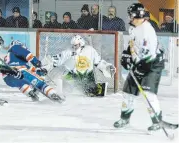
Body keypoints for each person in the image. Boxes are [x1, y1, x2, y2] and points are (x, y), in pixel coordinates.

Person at [114, 3, 165, 132]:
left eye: (130, 15)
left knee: (148, 93)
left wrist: (139, 69)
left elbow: (149, 57)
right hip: (140, 62)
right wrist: (126, 54)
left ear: (135, 15)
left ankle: (157, 121)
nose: (129, 18)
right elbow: (131, 43)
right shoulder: (133, 27)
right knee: (128, 92)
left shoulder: (147, 31)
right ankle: (124, 119)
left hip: (153, 63)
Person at [0, 40, 64, 102]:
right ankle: (53, 94)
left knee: (21, 83)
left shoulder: (10, 56)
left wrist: (38, 71)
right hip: (19, 71)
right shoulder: (15, 47)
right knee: (40, 83)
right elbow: (26, 54)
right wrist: (35, 61)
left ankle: (30, 93)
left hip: (8, 78)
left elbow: (28, 69)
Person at [49, 35, 116, 97]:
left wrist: (107, 67)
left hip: (88, 79)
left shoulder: (90, 50)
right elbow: (56, 59)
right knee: (66, 85)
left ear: (81, 43)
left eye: (76, 45)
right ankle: (64, 92)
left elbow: (98, 62)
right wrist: (48, 64)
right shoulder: (68, 52)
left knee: (92, 92)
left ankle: (91, 89)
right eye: (73, 45)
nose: (74, 47)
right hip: (73, 80)